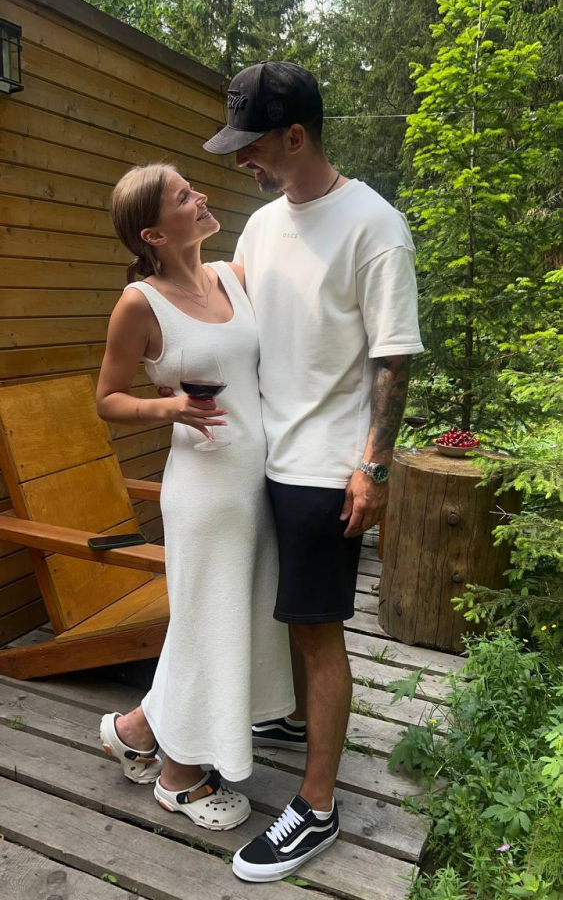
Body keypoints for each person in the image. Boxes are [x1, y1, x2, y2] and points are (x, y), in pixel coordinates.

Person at [203, 61, 424, 881]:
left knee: (317, 631)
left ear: (295, 136)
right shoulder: (261, 227)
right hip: (263, 454)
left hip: (325, 469)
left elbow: (393, 359)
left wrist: (373, 466)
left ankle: (318, 806)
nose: (240, 161)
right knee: (287, 616)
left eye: (251, 145)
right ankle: (296, 720)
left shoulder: (374, 225)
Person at [95, 162, 295, 832]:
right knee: (208, 624)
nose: (200, 195)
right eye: (183, 197)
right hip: (204, 490)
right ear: (153, 233)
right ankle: (178, 776)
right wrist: (171, 407)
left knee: (225, 618)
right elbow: (108, 399)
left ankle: (135, 730)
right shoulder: (140, 303)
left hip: (254, 480)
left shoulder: (233, 277)